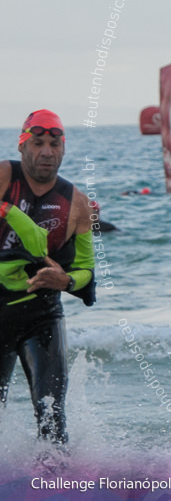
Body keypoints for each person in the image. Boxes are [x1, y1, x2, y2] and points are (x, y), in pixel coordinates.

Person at [0, 110, 96, 447]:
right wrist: (11, 213)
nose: (46, 151)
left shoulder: (78, 204)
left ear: (63, 149)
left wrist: (66, 282)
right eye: (38, 143)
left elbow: (86, 271)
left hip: (40, 317)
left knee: (52, 416)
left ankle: (56, 487)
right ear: (22, 145)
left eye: (54, 144)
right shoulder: (3, 176)